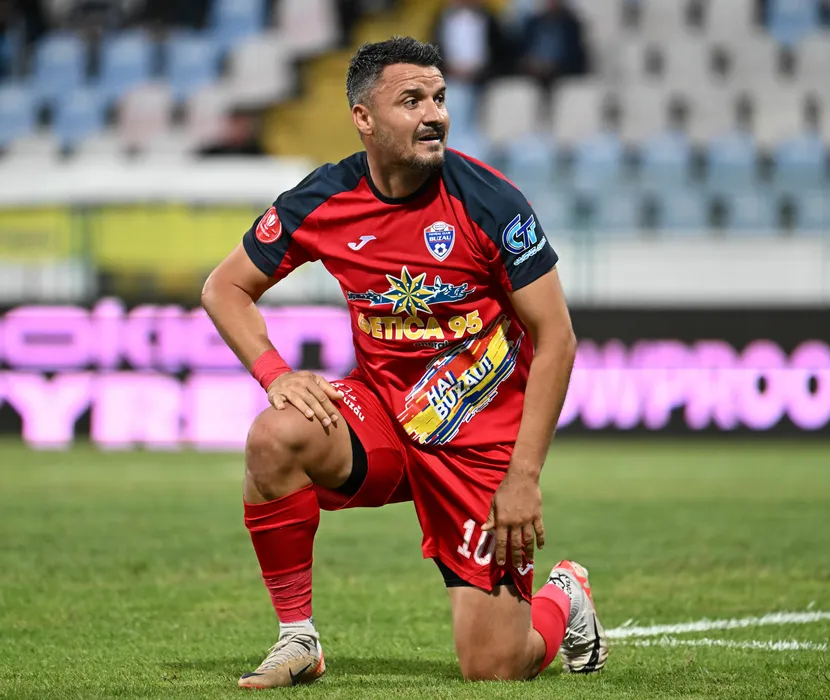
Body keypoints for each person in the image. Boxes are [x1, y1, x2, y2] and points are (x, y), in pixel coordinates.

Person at [201, 36, 608, 688]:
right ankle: (297, 639)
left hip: (476, 438)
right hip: (383, 418)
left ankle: (564, 593)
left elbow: (556, 337)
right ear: (363, 117)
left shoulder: (490, 202)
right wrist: (276, 373)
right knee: (274, 436)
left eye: (439, 98)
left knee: (495, 668)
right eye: (412, 100)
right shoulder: (325, 198)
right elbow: (224, 288)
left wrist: (523, 476)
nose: (434, 114)